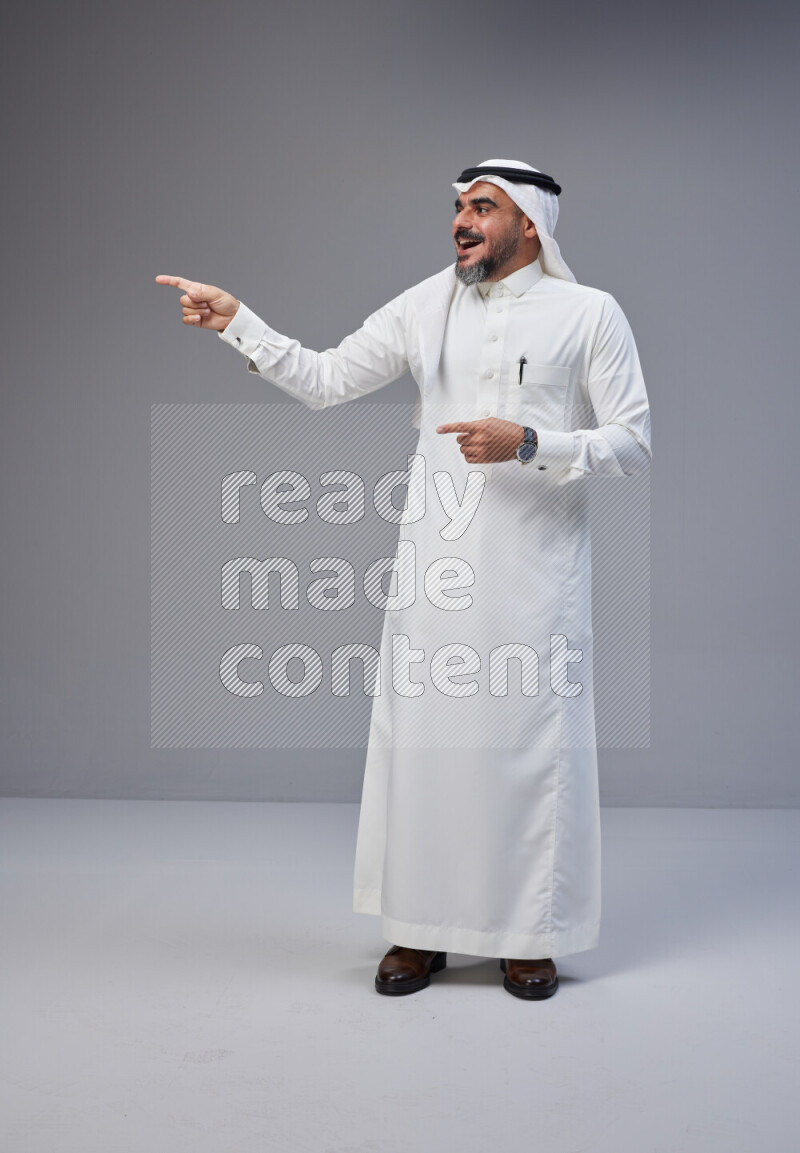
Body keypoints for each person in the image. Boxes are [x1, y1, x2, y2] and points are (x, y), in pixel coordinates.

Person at [156, 158, 651, 1001]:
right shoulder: (427, 305)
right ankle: (418, 933)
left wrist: (531, 443)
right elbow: (325, 378)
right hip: (436, 575)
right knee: (425, 754)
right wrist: (241, 324)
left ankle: (528, 935)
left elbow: (632, 443)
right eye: (458, 206)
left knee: (528, 753)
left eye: (483, 207)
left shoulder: (589, 314)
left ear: (531, 225)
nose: (462, 220)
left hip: (537, 581)